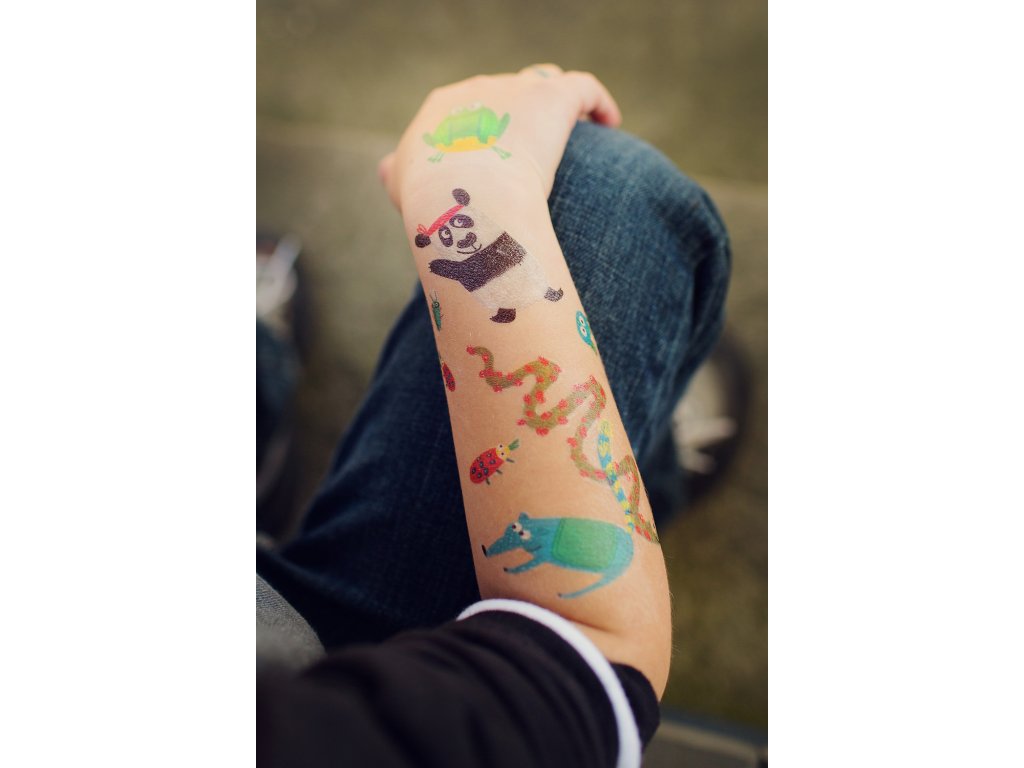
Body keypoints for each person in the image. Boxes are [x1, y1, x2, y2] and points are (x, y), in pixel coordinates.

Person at [256, 65, 731, 767]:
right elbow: (590, 665)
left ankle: (262, 371)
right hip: (353, 686)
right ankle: (644, 460)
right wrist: (476, 188)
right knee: (602, 182)